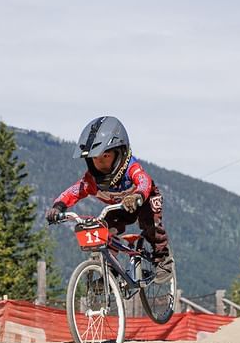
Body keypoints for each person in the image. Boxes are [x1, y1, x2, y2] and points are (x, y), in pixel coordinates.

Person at [45, 116, 173, 282]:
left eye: (105, 156)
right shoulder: (91, 180)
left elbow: (144, 181)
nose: (101, 163)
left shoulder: (131, 168)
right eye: (95, 159)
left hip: (145, 200)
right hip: (118, 207)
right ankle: (109, 271)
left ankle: (163, 259)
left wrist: (137, 196)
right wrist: (58, 207)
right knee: (105, 231)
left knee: (151, 226)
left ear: (119, 153)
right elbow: (73, 192)